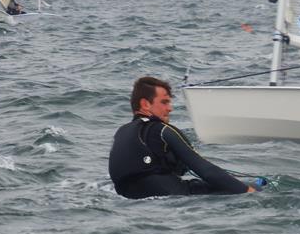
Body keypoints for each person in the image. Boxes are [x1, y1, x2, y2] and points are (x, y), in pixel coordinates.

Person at [109, 76, 256, 199]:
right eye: (164, 102)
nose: (170, 108)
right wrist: (248, 192)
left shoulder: (121, 134)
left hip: (128, 199)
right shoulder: (162, 130)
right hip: (173, 198)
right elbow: (206, 171)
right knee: (253, 186)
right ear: (145, 104)